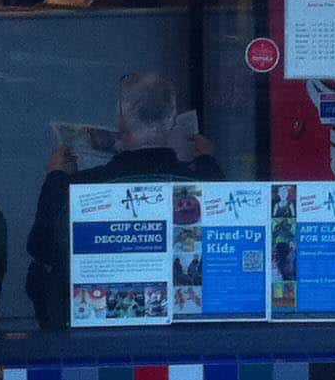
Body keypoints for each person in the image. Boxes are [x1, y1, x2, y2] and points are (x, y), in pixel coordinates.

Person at [24, 71, 222, 328]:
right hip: (185, 324)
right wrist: (208, 162)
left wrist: (56, 178)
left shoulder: (78, 187)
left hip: (92, 326)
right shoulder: (206, 186)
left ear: (121, 119)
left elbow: (41, 248)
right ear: (173, 120)